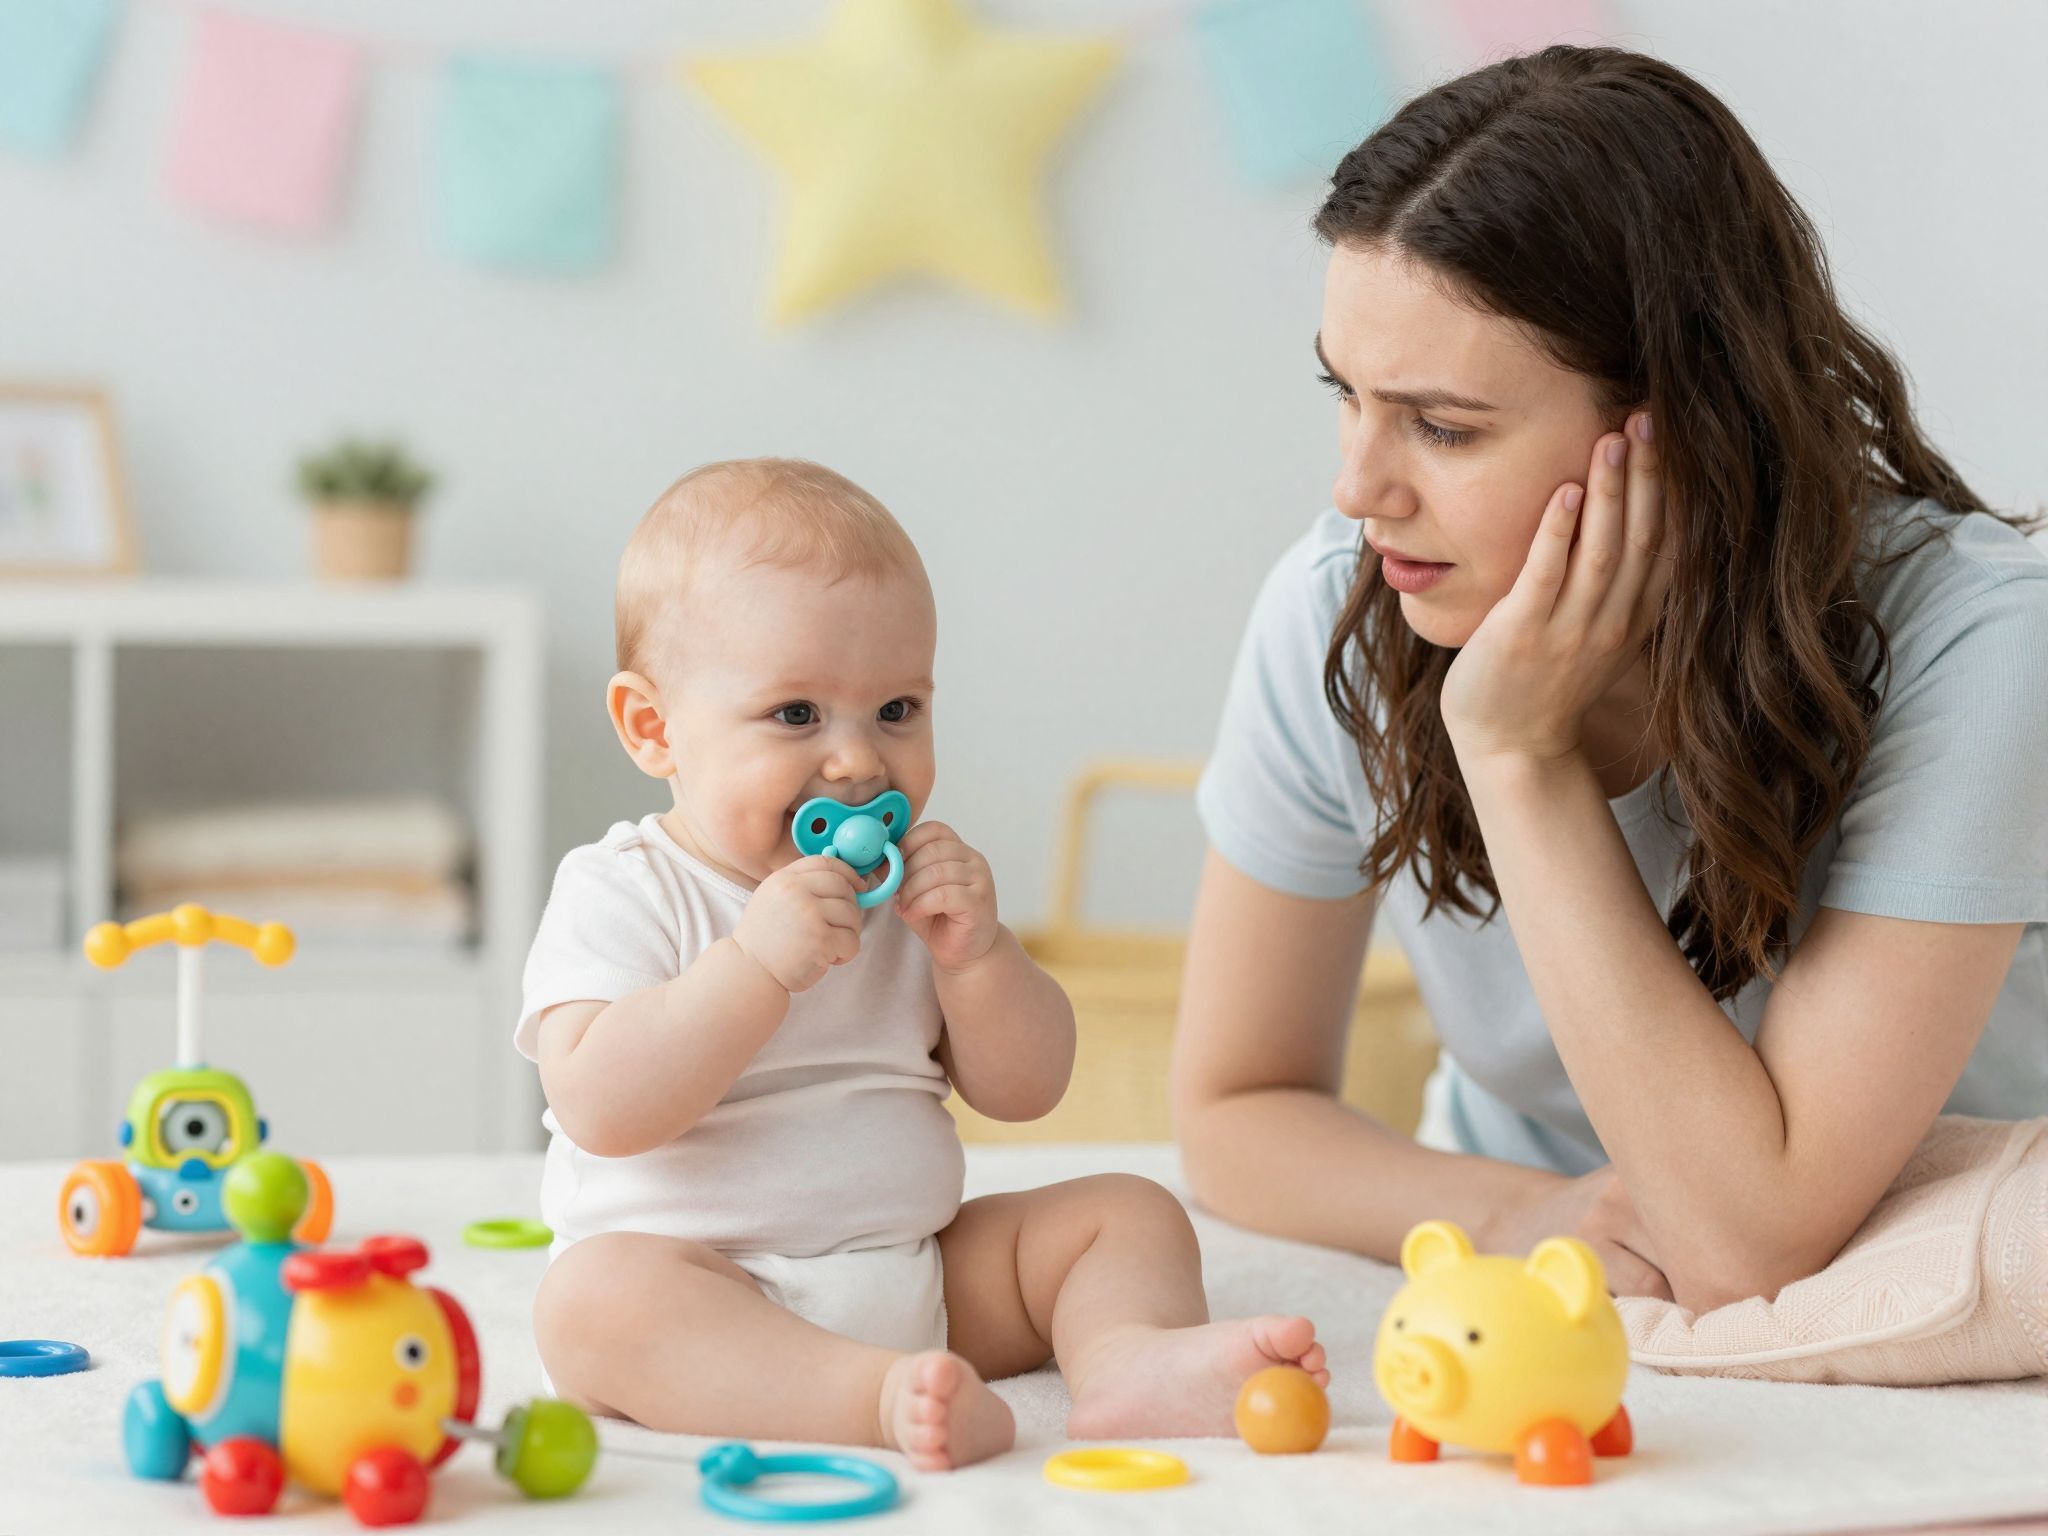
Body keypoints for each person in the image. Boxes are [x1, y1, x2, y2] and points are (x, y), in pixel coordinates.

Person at [1172, 46, 2048, 1314]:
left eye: (1441, 426)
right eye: (1345, 396)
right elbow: (1234, 1106)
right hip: (1548, 1289)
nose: (1356, 489)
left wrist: (1518, 758)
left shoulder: (1973, 635)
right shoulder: (1344, 605)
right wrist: (1514, 1212)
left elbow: (1751, 1241)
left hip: (1917, 1287)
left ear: (1680, 423)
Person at [520, 459, 1327, 1470]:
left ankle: (1126, 1360)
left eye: (895, 710)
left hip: (921, 1275)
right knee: (590, 1307)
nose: (858, 760)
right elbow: (600, 1103)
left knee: (1126, 1213)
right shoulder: (626, 888)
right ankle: (870, 1400)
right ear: (653, 729)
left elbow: (1026, 1091)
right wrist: (751, 965)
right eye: (796, 715)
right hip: (707, 1285)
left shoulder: (908, 893)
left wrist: (977, 959)